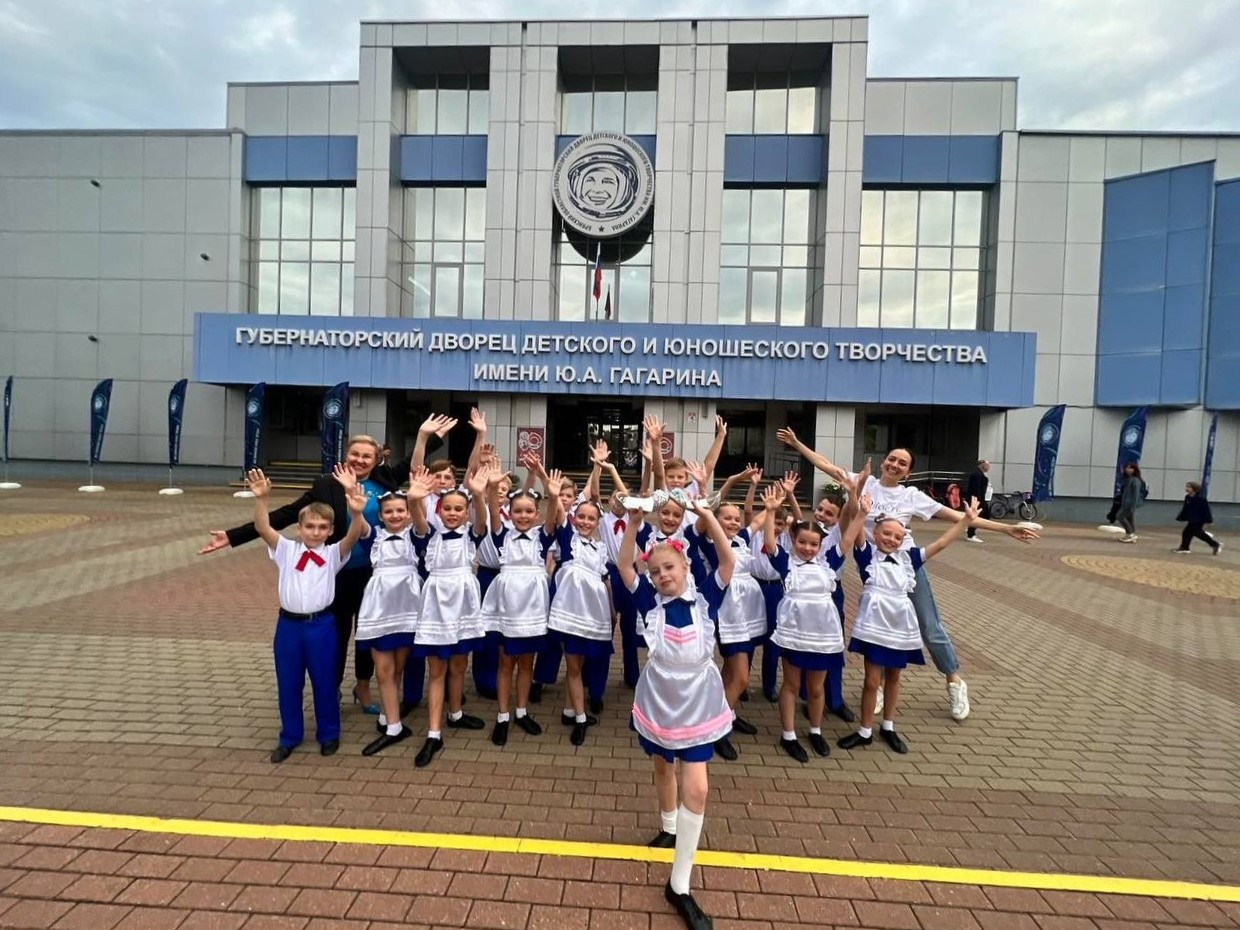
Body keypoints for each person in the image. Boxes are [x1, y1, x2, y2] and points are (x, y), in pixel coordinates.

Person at [777, 428, 1038, 722]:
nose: (895, 465)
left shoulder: (911, 496)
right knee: (876, 625)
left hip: (906, 567)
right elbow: (825, 464)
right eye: (892, 459)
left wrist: (1007, 528)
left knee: (929, 625)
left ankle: (954, 679)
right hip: (873, 566)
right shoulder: (865, 483)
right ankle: (875, 687)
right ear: (883, 461)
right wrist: (797, 443)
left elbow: (957, 517)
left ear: (908, 472)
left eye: (902, 463)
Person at [200, 429, 446, 715]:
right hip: (337, 572)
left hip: (376, 574)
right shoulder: (326, 484)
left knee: (368, 634)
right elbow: (288, 513)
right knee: (338, 633)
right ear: (346, 455)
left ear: (376, 459)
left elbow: (414, 464)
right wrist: (233, 536)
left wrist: (425, 436)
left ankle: (363, 687)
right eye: (355, 454)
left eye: (366, 456)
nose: (359, 460)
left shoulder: (385, 479)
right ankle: (334, 687)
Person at [617, 497, 734, 930]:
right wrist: (633, 523)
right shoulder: (648, 600)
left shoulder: (707, 597)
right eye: (655, 571)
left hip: (698, 698)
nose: (662, 575)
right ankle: (668, 824)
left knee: (698, 789)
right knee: (661, 764)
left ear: (685, 567)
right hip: (660, 695)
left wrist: (707, 517)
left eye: (669, 567)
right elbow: (625, 565)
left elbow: (728, 559)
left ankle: (679, 884)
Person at [839, 478, 978, 754]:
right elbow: (856, 522)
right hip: (874, 628)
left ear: (903, 541)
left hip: (900, 629)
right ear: (875, 534)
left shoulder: (909, 559)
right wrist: (855, 497)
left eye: (897, 537)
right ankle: (865, 730)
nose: (891, 539)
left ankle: (888, 727)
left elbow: (940, 543)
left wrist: (965, 521)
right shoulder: (867, 556)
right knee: (871, 681)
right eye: (886, 534)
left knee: (894, 678)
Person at [247, 466, 369, 763]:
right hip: (289, 626)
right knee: (289, 682)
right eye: (310, 526)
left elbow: (354, 536)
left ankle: (329, 733)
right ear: (299, 529)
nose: (315, 532)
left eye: (322, 527)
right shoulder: (286, 550)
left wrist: (356, 513)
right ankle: (290, 736)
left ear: (330, 530)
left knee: (325, 681)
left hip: (322, 625)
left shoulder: (333, 553)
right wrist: (262, 500)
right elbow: (263, 528)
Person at [760, 483, 850, 763]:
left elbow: (848, 538)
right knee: (790, 683)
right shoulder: (786, 563)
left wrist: (859, 512)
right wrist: (770, 511)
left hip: (822, 635)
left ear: (821, 546)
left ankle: (815, 730)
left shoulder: (828, 564)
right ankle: (788, 735)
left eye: (814, 544)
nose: (808, 548)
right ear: (793, 540)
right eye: (802, 542)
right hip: (795, 633)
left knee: (816, 688)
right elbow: (770, 544)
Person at [407, 465, 491, 767]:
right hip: (437, 607)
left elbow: (482, 520)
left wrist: (478, 495)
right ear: (439, 511)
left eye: (459, 509)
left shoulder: (472, 534)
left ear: (466, 513)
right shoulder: (429, 534)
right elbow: (417, 518)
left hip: (464, 605)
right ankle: (434, 732)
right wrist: (414, 499)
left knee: (459, 663)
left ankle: (455, 713)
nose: (453, 513)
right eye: (447, 508)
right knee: (437, 669)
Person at [480, 474, 558, 747]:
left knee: (526, 662)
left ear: (537, 514)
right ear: (509, 513)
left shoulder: (542, 537)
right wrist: (492, 487)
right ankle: (503, 715)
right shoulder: (502, 535)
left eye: (528, 511)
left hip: (533, 608)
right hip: (509, 607)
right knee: (505, 662)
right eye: (517, 511)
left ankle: (521, 711)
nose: (523, 516)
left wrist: (553, 494)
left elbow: (553, 517)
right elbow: (492, 510)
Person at [356, 492, 420, 756]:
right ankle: (394, 727)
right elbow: (359, 526)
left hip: (407, 608)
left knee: (397, 668)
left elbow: (422, 522)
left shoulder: (416, 535)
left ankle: (387, 713)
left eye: (400, 510)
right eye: (388, 511)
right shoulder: (374, 536)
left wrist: (416, 500)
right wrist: (356, 509)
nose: (395, 515)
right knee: (383, 670)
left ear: (408, 513)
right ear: (381, 516)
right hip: (379, 610)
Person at [547, 495, 612, 746]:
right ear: (574, 518)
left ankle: (569, 710)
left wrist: (612, 610)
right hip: (571, 613)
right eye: (581, 516)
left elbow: (605, 581)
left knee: (579, 665)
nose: (585, 521)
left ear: (598, 522)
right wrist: (554, 494)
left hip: (592, 615)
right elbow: (558, 514)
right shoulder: (568, 539)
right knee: (573, 666)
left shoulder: (600, 549)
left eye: (591, 518)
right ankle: (581, 718)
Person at [1174, 482, 1222, 555]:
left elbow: (1206, 510)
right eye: (1187, 487)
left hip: (1199, 519)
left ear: (1194, 489)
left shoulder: (1200, 498)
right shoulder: (1188, 497)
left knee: (1193, 532)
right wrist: (1181, 517)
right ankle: (1185, 547)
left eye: (1189, 487)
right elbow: (1185, 508)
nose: (1187, 488)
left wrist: (1209, 520)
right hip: (1192, 518)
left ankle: (1215, 544)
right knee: (1191, 532)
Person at [1116, 462, 1145, 544]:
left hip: (1129, 504)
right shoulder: (1129, 479)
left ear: (1134, 470)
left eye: (1130, 468)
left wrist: (1133, 506)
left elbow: (1135, 494)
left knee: (1120, 516)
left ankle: (1130, 533)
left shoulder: (1135, 480)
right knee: (1129, 518)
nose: (1127, 469)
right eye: (1127, 467)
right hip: (1127, 503)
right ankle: (1131, 535)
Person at [964, 460, 991, 542]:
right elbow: (976, 489)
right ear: (982, 465)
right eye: (987, 465)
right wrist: (978, 501)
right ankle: (971, 534)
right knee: (977, 516)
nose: (989, 467)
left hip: (978, 499)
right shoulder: (977, 475)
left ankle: (968, 526)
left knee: (984, 515)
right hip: (976, 500)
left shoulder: (979, 474)